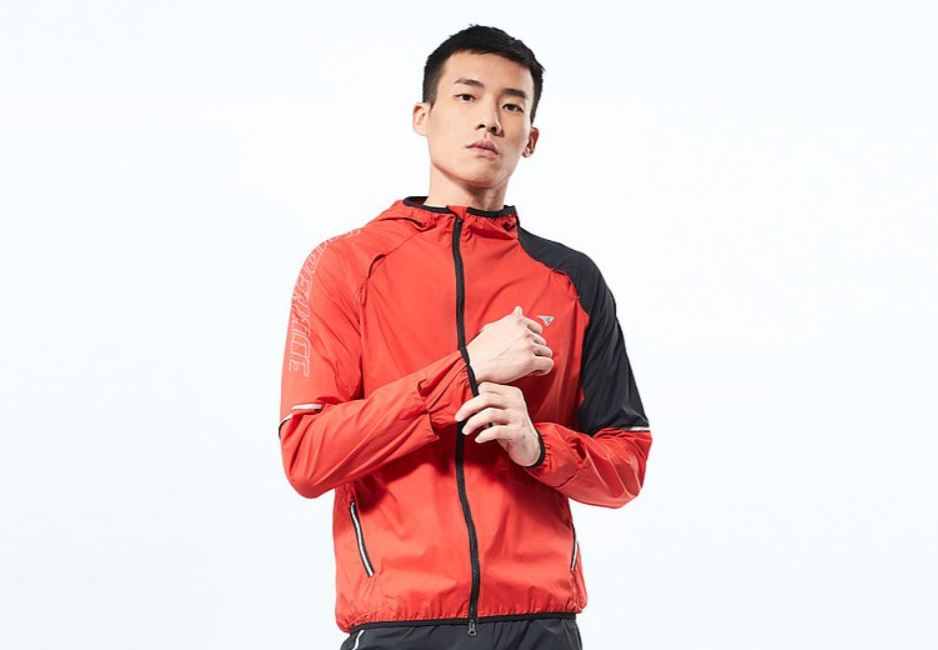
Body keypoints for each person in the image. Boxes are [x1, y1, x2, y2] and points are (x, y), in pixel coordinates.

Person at [278, 24, 653, 650]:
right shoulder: (347, 265)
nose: (490, 120)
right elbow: (308, 458)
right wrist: (466, 371)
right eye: (467, 96)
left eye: (512, 106)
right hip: (399, 624)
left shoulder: (572, 280)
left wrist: (537, 445)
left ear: (531, 139)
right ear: (422, 117)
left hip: (541, 625)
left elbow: (626, 464)